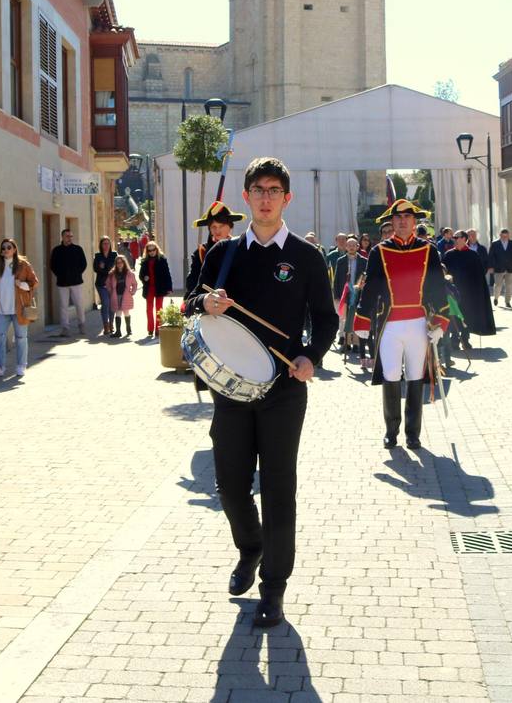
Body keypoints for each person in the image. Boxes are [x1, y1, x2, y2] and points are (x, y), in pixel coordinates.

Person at [185, 156, 337, 630]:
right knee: (230, 483)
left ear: (286, 198)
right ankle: (249, 547)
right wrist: (204, 302)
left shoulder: (307, 257)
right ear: (246, 198)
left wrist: (313, 356)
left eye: (274, 190)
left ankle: (274, 586)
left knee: (278, 488)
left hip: (283, 390)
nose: (266, 197)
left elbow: (327, 319)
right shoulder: (223, 253)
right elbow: (191, 301)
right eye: (258, 190)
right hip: (231, 390)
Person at [354, 199, 451, 450]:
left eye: (408, 217)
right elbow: (371, 287)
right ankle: (391, 430)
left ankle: (413, 433)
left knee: (416, 376)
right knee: (391, 376)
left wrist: (441, 320)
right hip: (390, 325)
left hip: (418, 323)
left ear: (414, 221)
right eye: (398, 218)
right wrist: (362, 317)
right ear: (392, 222)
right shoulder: (379, 251)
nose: (403, 221)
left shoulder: (429, 250)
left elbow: (438, 287)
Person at [0, 237, 39, 378]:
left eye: (9, 247)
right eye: (3, 248)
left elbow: (34, 282)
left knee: (21, 337)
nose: (5, 250)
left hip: (19, 308)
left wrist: (22, 285)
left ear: (15, 249)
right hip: (2, 309)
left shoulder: (23, 265)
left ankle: (21, 365)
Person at [443, 232, 496, 350]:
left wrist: (478, 292)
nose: (455, 239)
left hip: (469, 292)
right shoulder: (449, 255)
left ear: (465, 239)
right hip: (453, 293)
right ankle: (454, 340)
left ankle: (465, 339)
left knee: (467, 316)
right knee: (455, 315)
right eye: (454, 238)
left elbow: (479, 274)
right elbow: (444, 272)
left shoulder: (473, 255)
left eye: (457, 237)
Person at [186, 201, 244, 296]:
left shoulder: (241, 248)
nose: (217, 231)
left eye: (221, 226)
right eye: (213, 227)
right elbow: (192, 283)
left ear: (230, 227)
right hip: (210, 303)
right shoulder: (201, 252)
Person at [48, 227, 89, 338]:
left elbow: (84, 264)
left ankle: (82, 324)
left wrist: (77, 274)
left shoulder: (78, 249)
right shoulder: (57, 250)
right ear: (62, 237)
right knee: (63, 305)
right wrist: (60, 275)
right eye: (67, 236)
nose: (70, 238)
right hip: (62, 283)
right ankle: (65, 328)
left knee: (79, 304)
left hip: (76, 282)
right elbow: (53, 265)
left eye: (71, 236)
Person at [332, 236, 368, 353]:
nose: (351, 247)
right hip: (345, 293)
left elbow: (366, 277)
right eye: (349, 245)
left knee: (356, 318)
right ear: (346, 247)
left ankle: (356, 343)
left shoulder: (364, 261)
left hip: (359, 293)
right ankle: (346, 343)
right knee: (346, 319)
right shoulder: (341, 261)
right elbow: (336, 279)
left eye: (354, 245)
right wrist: (336, 296)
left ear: (358, 247)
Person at [137, 241, 173, 339]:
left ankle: (158, 329)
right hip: (149, 288)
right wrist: (144, 278)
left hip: (159, 288)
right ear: (147, 251)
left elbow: (167, 274)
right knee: (149, 309)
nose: (152, 252)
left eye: (153, 250)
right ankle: (150, 329)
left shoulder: (162, 259)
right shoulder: (144, 261)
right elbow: (141, 275)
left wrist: (169, 287)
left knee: (159, 309)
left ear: (156, 249)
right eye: (149, 250)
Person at [489, 228, 512, 307]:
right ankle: (496, 298)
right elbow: (491, 256)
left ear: (508, 236)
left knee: (509, 286)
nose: (504, 238)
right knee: (498, 285)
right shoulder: (495, 244)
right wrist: (490, 267)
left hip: (510, 267)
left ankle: (507, 301)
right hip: (498, 268)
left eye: (506, 236)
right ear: (500, 235)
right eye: (503, 236)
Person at [107, 255, 138, 338]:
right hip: (116, 295)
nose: (119, 264)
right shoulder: (112, 274)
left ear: (124, 263)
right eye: (117, 263)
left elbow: (134, 284)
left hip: (126, 295)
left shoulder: (129, 273)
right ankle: (118, 331)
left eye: (121, 262)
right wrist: (111, 291)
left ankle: (128, 329)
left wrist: (132, 291)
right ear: (115, 264)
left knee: (126, 312)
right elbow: (108, 284)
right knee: (118, 312)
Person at [93, 237, 118, 337]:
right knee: (106, 303)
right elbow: (96, 269)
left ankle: (111, 324)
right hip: (101, 284)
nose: (106, 245)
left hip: (112, 284)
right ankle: (106, 325)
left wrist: (104, 269)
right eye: (104, 243)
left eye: (108, 243)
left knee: (112, 305)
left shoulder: (114, 255)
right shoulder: (98, 256)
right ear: (101, 245)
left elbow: (116, 268)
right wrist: (107, 270)